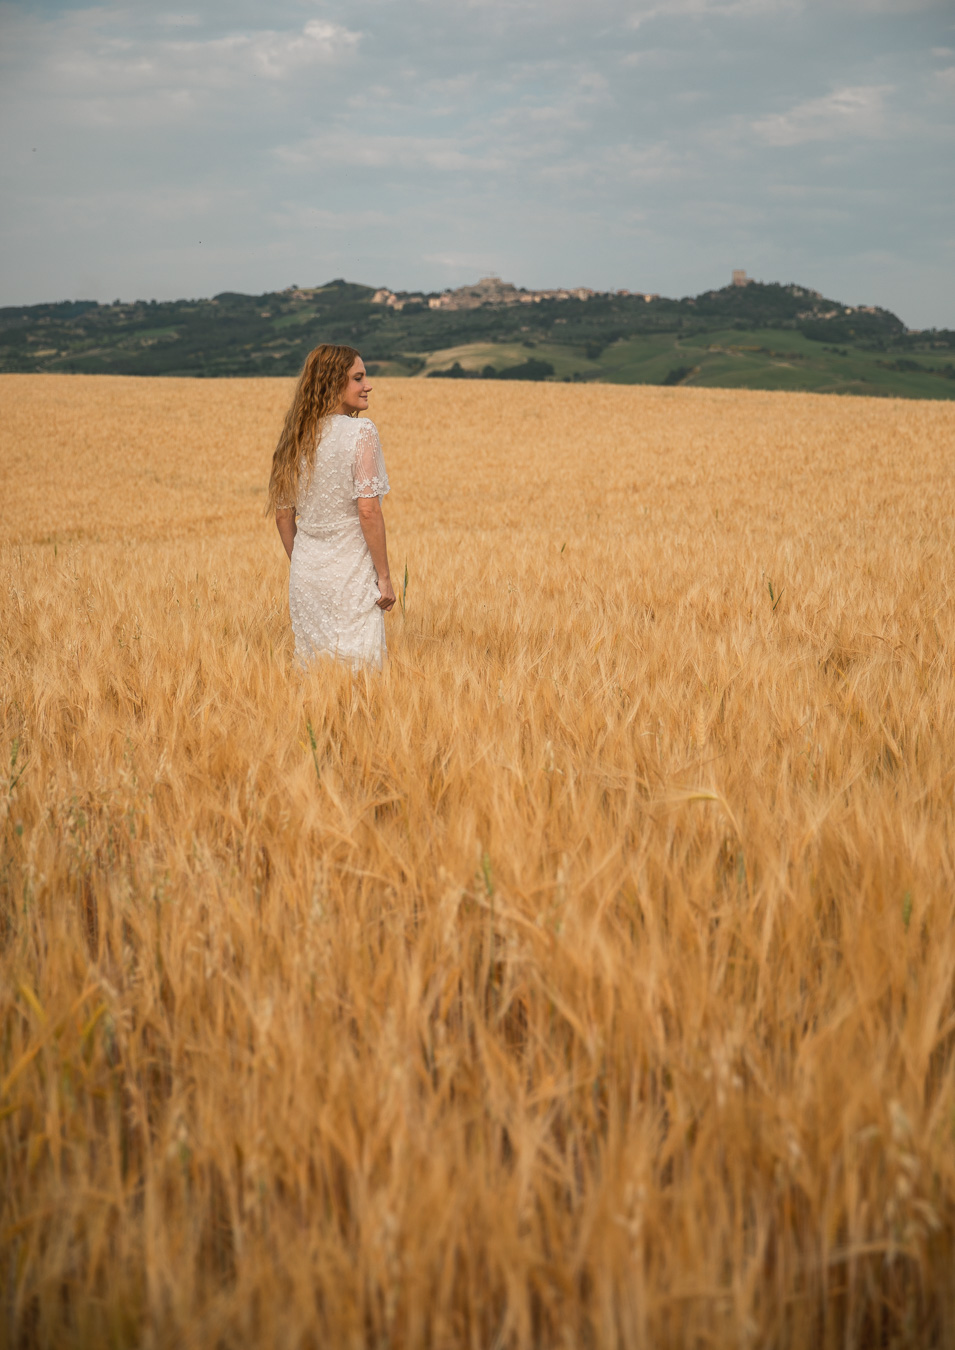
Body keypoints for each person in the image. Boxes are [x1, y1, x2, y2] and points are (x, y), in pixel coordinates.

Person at [267, 345, 396, 669]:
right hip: (351, 576)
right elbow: (368, 511)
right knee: (361, 676)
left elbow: (283, 515)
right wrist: (384, 577)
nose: (367, 385)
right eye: (358, 378)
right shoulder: (361, 432)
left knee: (312, 676)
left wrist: (305, 564)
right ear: (333, 383)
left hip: (306, 576)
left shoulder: (294, 438)